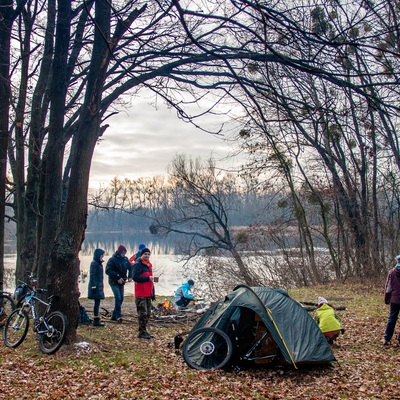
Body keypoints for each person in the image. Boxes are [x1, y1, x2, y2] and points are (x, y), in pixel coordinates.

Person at [132, 247, 155, 339]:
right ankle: (141, 332)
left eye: (148, 254)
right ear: (141, 255)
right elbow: (135, 277)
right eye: (145, 254)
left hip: (148, 293)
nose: (147, 256)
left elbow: (151, 281)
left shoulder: (149, 265)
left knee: (148, 313)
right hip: (140, 293)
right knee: (143, 313)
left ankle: (144, 330)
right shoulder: (138, 265)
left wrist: (153, 292)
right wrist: (147, 278)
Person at [105, 244, 132, 323]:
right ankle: (119, 316)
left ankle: (114, 315)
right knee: (118, 297)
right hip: (114, 282)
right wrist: (117, 277)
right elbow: (108, 270)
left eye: (125, 253)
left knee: (121, 298)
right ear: (119, 252)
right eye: (122, 253)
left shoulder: (126, 259)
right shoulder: (112, 260)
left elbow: (131, 268)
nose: (124, 254)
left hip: (122, 282)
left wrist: (130, 276)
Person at [383, 255, 400, 345]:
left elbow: (388, 288)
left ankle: (386, 338)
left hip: (395, 300)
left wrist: (386, 298)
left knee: (392, 318)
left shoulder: (392, 272)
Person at [87, 248, 106, 327]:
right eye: (102, 255)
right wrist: (94, 285)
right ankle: (96, 319)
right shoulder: (94, 263)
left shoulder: (98, 263)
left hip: (99, 286)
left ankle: (96, 318)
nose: (102, 257)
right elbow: (92, 275)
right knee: (97, 303)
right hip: (96, 286)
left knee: (97, 303)